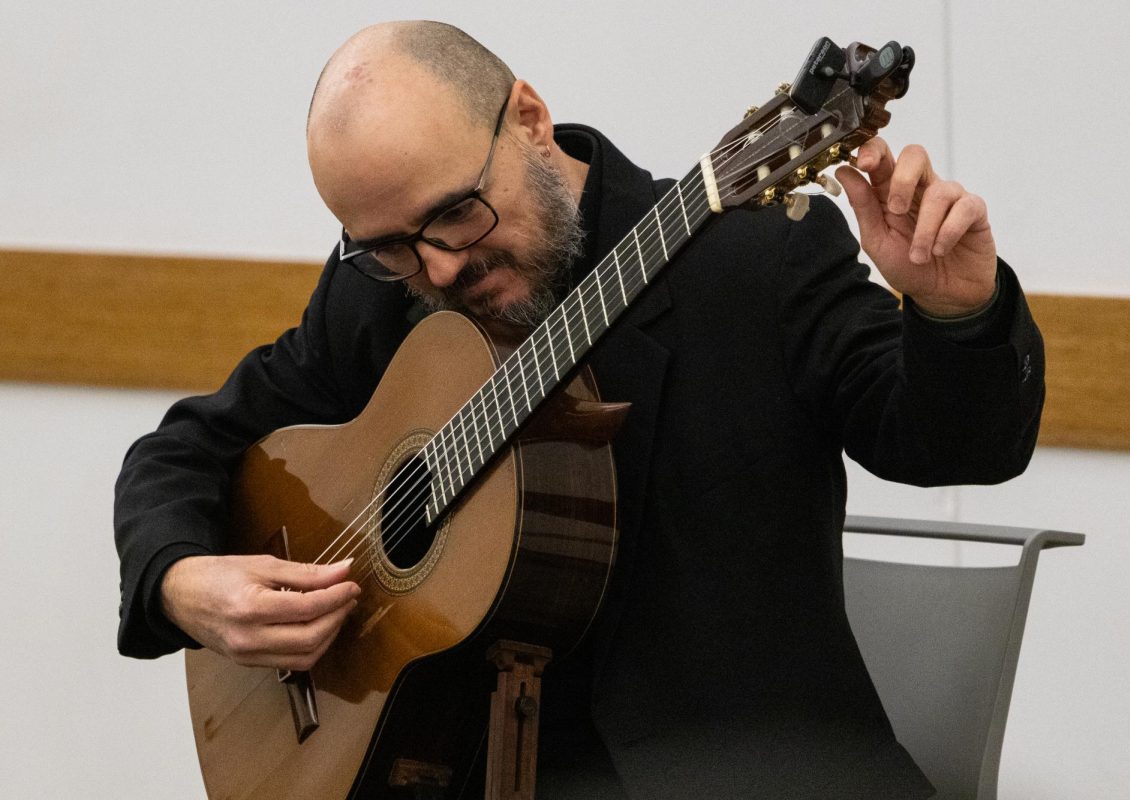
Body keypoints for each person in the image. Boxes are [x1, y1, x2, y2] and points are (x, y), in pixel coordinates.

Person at [114, 21, 1044, 800]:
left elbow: (953, 444)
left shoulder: (755, 262)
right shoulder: (381, 295)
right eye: (392, 247)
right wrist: (181, 583)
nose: (437, 269)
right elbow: (193, 445)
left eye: (457, 215)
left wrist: (957, 313)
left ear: (527, 118)